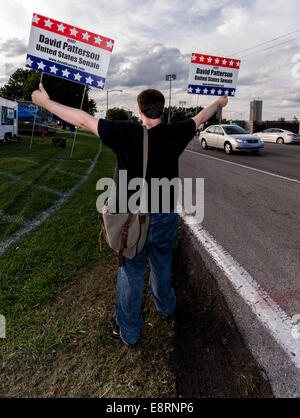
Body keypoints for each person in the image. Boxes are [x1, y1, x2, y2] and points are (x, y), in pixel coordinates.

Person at [32, 84, 228, 346]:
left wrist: (46, 103)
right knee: (161, 264)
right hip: (165, 216)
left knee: (131, 272)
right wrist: (220, 102)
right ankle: (166, 308)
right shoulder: (176, 132)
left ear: (139, 110)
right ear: (163, 109)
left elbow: (82, 118)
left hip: (132, 219)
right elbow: (202, 115)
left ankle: (130, 331)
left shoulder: (124, 133)